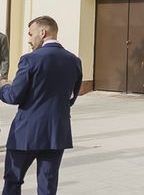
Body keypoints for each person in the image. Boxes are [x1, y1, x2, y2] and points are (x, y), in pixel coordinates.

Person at [0, 15, 82, 195]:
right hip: (57, 131)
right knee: (48, 185)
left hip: (26, 132)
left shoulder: (30, 59)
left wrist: (3, 86)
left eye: (30, 34)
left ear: (42, 32)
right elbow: (72, 97)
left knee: (13, 180)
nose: (29, 40)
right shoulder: (74, 60)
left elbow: (14, 96)